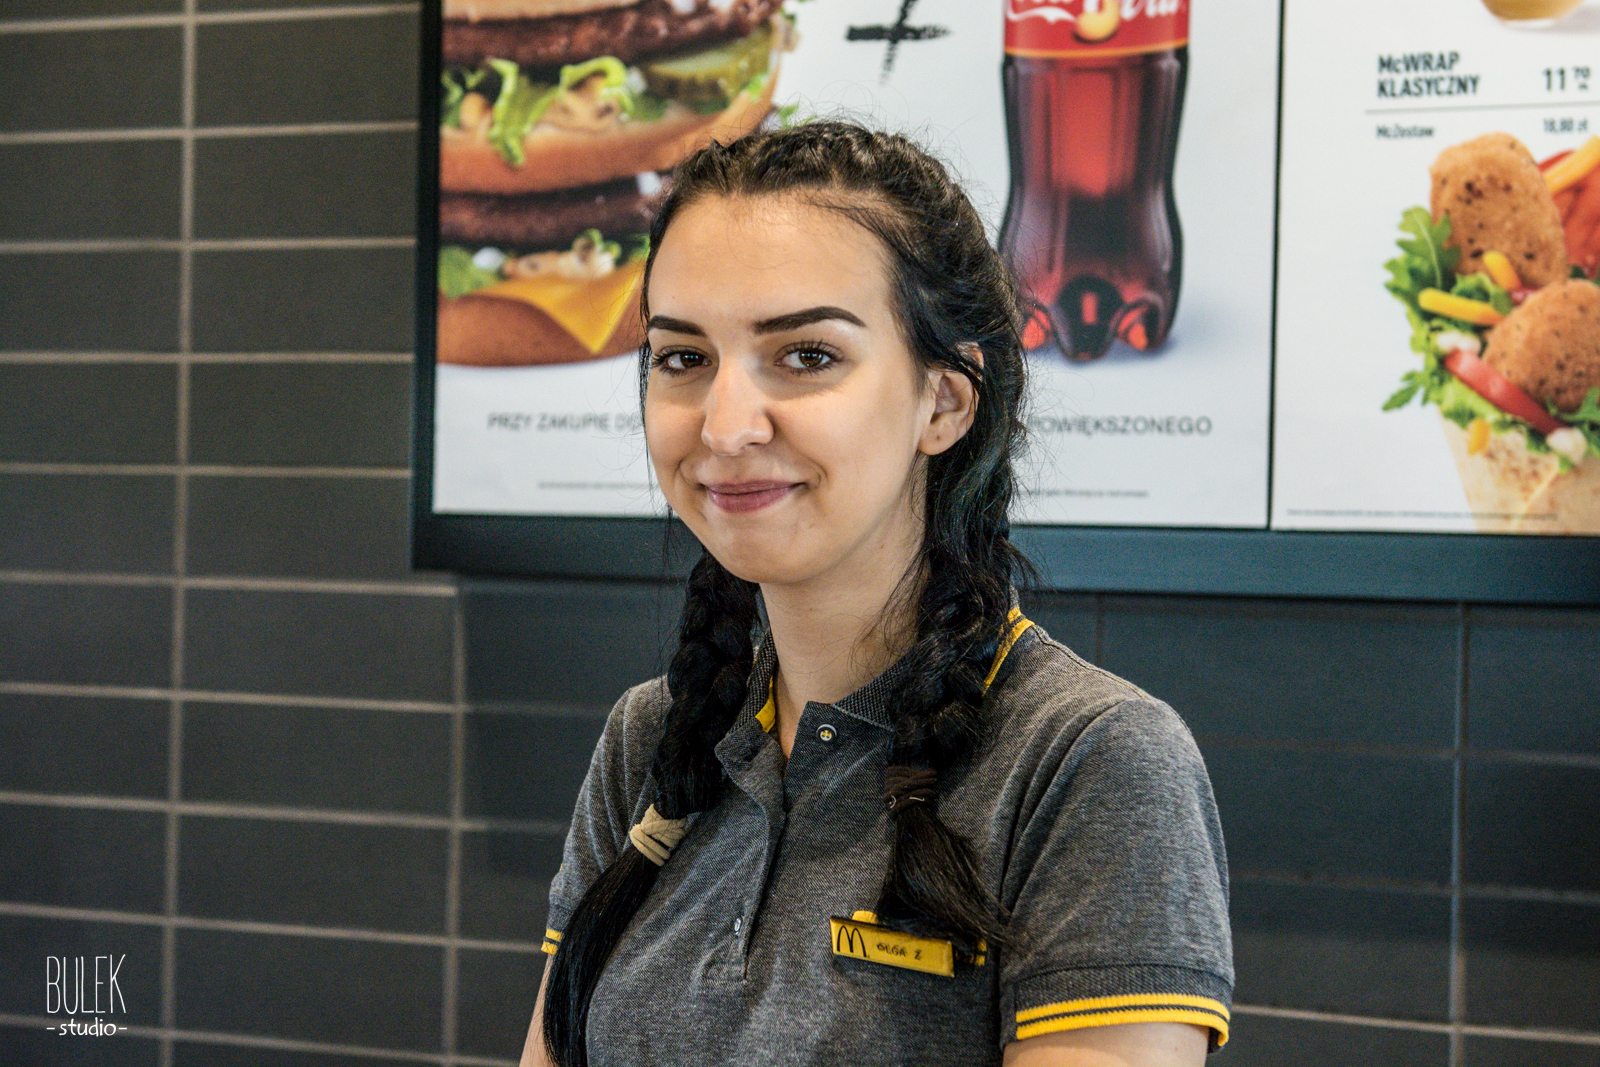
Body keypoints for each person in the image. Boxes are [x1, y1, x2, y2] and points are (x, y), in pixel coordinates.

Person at [520, 121, 1233, 1067]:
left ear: (945, 401)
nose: (726, 426)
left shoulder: (1088, 759)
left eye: (807, 355)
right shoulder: (650, 739)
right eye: (683, 358)